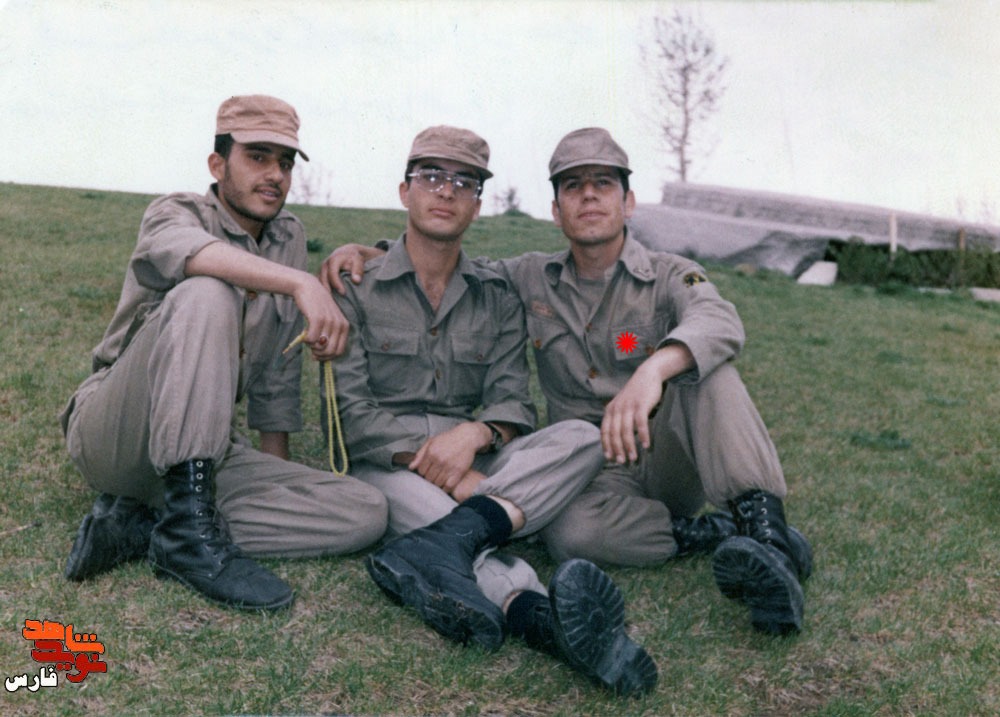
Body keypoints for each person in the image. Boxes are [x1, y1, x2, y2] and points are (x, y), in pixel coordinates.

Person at [323, 127, 813, 637]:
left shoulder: (670, 274)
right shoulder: (529, 278)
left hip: (666, 452)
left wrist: (654, 370)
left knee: (707, 371)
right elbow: (442, 261)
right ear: (556, 211)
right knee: (569, 535)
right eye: (574, 186)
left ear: (629, 202)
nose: (589, 197)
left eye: (603, 184)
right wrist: (368, 252)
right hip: (593, 471)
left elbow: (719, 320)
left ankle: (770, 541)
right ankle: (703, 534)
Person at [325, 125, 657, 696]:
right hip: (386, 461)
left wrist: (476, 435)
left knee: (582, 436)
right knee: (438, 516)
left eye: (464, 182)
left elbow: (512, 401)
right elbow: (352, 413)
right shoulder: (356, 285)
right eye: (431, 176)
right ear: (405, 191)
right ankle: (540, 617)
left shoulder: (495, 294)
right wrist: (445, 469)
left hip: (473, 452)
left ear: (477, 205)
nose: (445, 191)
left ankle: (466, 530)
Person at [59, 94, 388, 611]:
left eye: (285, 163)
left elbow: (278, 374)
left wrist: (274, 478)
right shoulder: (175, 211)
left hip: (204, 450)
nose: (275, 175)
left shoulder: (287, 236)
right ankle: (184, 531)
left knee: (365, 510)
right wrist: (301, 282)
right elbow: (196, 256)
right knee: (208, 291)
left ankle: (158, 527)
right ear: (218, 164)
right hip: (117, 434)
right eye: (257, 157)